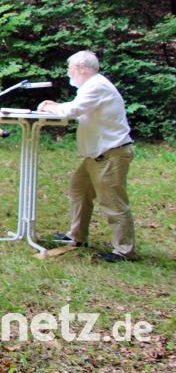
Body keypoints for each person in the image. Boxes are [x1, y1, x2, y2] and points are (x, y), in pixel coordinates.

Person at [37, 51, 136, 262]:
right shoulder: (90, 86)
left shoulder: (97, 85)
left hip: (111, 153)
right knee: (78, 190)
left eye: (70, 67)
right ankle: (76, 237)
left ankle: (124, 251)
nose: (68, 72)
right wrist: (56, 107)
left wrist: (51, 106)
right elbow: (77, 108)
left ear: (83, 67)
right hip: (97, 155)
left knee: (113, 203)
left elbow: (74, 109)